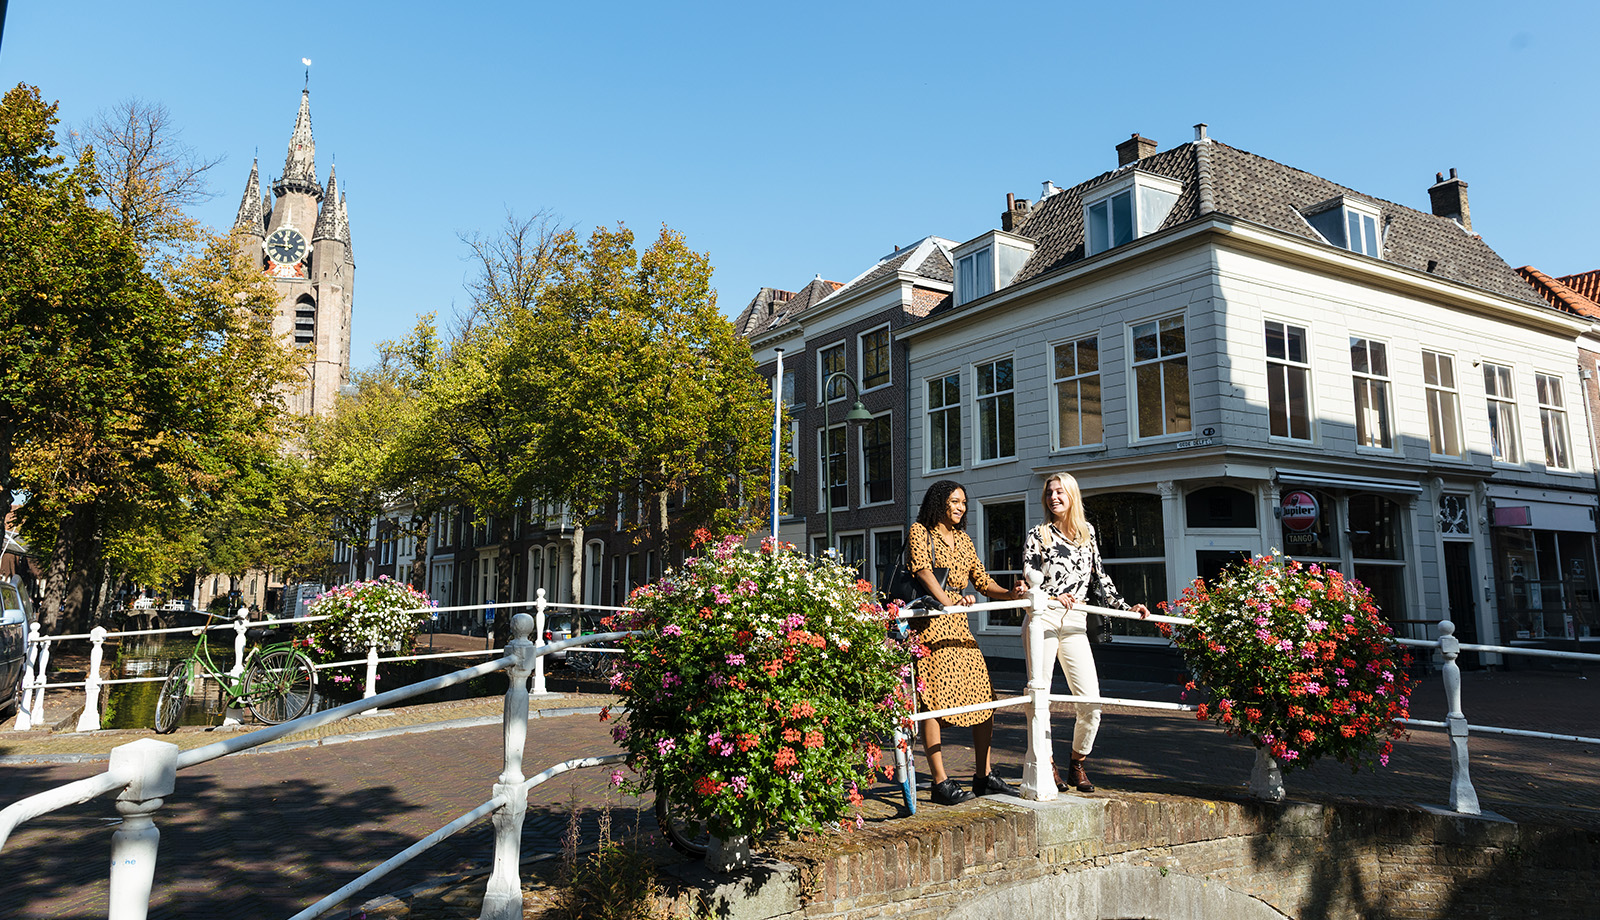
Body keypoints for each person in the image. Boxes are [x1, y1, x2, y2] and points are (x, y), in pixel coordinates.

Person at [1022, 472, 1148, 793]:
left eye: (1060, 492)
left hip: (1076, 621)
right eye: (1049, 493)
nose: (1053, 498)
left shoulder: (1087, 533)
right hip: (1044, 619)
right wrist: (1052, 597)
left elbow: (1101, 579)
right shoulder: (1038, 535)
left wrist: (1127, 607)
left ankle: (1077, 762)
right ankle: (1046, 763)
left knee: (1091, 703)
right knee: (1041, 697)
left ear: (1072, 496)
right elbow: (1028, 584)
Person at [907, 480, 1027, 805]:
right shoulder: (921, 531)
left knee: (984, 696)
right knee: (933, 700)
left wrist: (1010, 594)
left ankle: (983, 776)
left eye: (963, 503)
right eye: (954, 501)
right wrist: (947, 598)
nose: (960, 507)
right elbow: (922, 570)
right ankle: (940, 781)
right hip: (930, 626)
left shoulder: (963, 539)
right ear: (938, 503)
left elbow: (982, 579)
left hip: (959, 628)